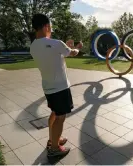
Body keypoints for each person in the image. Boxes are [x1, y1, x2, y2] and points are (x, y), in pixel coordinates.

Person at [30, 13, 83, 158]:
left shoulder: (33, 47)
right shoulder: (56, 43)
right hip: (60, 87)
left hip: (48, 87)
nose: (51, 29)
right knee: (60, 117)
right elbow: (71, 53)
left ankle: (53, 139)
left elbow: (52, 52)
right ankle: (54, 148)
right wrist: (77, 47)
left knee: (54, 113)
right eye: (50, 26)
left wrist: (64, 46)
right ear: (46, 26)